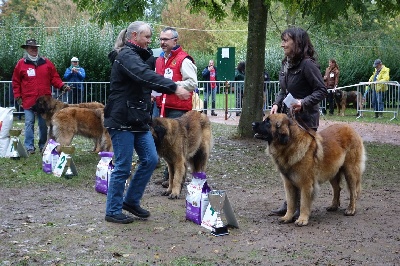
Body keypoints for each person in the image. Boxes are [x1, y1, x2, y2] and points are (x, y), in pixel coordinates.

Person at [103, 21, 190, 224]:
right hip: (122, 119)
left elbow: (145, 79)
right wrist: (174, 87)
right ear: (134, 37)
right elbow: (144, 76)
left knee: (151, 159)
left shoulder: (142, 57)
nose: (151, 41)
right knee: (123, 166)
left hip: (139, 120)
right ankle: (113, 210)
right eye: (147, 37)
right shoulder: (126, 56)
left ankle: (131, 201)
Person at [269, 27, 327, 218]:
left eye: (286, 40)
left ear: (298, 43)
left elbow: (321, 90)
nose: (282, 44)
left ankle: (302, 208)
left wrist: (304, 103)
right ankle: (289, 205)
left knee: (303, 168)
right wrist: (277, 104)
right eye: (282, 40)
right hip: (289, 122)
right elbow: (283, 90)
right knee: (288, 163)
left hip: (306, 123)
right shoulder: (286, 63)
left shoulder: (308, 65)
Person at [154, 27, 197, 188]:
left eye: (165, 39)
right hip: (161, 106)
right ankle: (168, 175)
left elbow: (192, 83)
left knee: (176, 145)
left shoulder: (183, 59)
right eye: (161, 39)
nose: (162, 42)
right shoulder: (159, 60)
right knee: (165, 143)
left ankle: (177, 178)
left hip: (178, 108)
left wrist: (171, 85)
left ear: (175, 41)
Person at [12, 39, 70, 154]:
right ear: (26, 49)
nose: (34, 49)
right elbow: (16, 81)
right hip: (28, 100)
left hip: (44, 103)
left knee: (43, 124)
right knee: (29, 123)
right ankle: (29, 146)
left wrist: (62, 86)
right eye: (31, 47)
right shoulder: (21, 64)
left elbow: (54, 77)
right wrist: (18, 96)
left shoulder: (46, 62)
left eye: (35, 47)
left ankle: (43, 145)